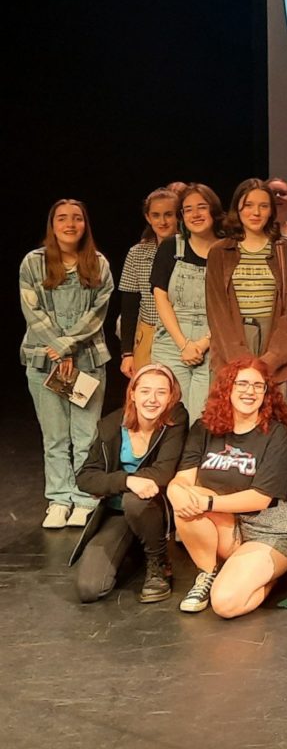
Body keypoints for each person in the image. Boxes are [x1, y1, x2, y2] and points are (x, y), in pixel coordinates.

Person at [168, 356, 287, 617]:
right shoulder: (204, 428)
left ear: (266, 393)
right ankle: (207, 573)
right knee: (186, 495)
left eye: (257, 386)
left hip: (268, 529)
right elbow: (183, 478)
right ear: (228, 388)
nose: (249, 391)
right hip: (228, 526)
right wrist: (174, 492)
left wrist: (207, 503)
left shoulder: (277, 435)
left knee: (225, 604)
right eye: (241, 384)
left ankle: (271, 576)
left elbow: (261, 498)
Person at [21, 199, 114, 529]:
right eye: (62, 218)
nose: (70, 223)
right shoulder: (34, 263)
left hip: (87, 361)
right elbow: (33, 311)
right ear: (53, 224)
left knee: (86, 434)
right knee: (55, 437)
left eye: (77, 218)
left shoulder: (98, 263)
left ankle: (85, 497)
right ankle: (60, 497)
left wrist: (66, 348)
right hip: (43, 361)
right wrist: (57, 349)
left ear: (85, 224)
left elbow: (97, 315)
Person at [73, 363, 188, 603]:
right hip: (117, 511)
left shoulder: (175, 420)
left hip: (156, 507)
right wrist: (127, 480)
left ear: (171, 397)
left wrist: (133, 485)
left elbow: (164, 471)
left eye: (161, 392)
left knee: (135, 500)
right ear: (133, 394)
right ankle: (136, 544)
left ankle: (159, 563)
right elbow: (85, 477)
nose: (152, 399)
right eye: (145, 391)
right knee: (90, 588)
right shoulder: (111, 426)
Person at [205, 178, 287, 389]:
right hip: (231, 345)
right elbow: (217, 311)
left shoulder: (286, 251)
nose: (256, 212)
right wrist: (240, 359)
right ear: (237, 209)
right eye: (248, 205)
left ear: (271, 211)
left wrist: (272, 358)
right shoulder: (219, 252)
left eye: (263, 206)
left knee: (273, 418)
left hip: (273, 344)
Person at [151, 183, 224, 424]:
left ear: (213, 210)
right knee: (168, 416)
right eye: (188, 209)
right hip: (172, 341)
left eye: (201, 207)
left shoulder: (227, 251)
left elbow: (230, 307)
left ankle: (195, 463)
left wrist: (203, 343)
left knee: (202, 418)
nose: (195, 214)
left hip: (213, 340)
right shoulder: (171, 247)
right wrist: (184, 344)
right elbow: (160, 297)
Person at [118, 187, 179, 378]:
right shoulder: (137, 253)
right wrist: (127, 352)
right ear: (148, 217)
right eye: (156, 215)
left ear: (179, 216)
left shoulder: (192, 250)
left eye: (168, 214)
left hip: (182, 333)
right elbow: (129, 306)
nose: (162, 221)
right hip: (148, 334)